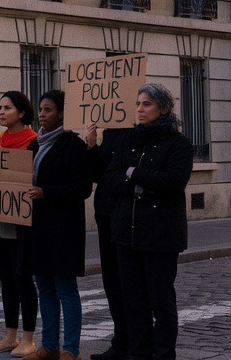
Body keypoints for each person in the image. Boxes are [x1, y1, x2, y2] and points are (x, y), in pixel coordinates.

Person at [109, 83, 193, 360]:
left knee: (161, 301)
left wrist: (133, 173)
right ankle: (138, 351)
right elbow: (111, 179)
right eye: (138, 104)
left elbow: (172, 182)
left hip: (160, 234)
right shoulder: (129, 140)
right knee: (133, 301)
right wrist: (137, 182)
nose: (140, 109)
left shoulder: (178, 143)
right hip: (127, 232)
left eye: (147, 104)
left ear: (163, 108)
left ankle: (163, 353)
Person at [24, 90, 92, 360]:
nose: (41, 114)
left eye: (48, 109)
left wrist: (46, 192)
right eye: (40, 109)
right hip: (38, 227)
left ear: (62, 113)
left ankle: (71, 349)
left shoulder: (73, 146)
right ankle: (49, 345)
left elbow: (82, 188)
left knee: (66, 289)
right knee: (44, 288)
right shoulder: (34, 144)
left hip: (64, 228)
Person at [0, 91, 40, 356]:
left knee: (22, 276)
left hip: (21, 220)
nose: (1, 112)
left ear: (21, 112)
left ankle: (29, 338)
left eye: (7, 108)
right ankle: (10, 336)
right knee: (6, 278)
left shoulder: (34, 141)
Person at [83, 115, 134, 360]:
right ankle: (121, 341)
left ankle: (135, 342)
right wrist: (91, 147)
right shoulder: (112, 131)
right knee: (112, 281)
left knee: (129, 282)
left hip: (128, 215)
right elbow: (98, 174)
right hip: (106, 212)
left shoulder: (137, 132)